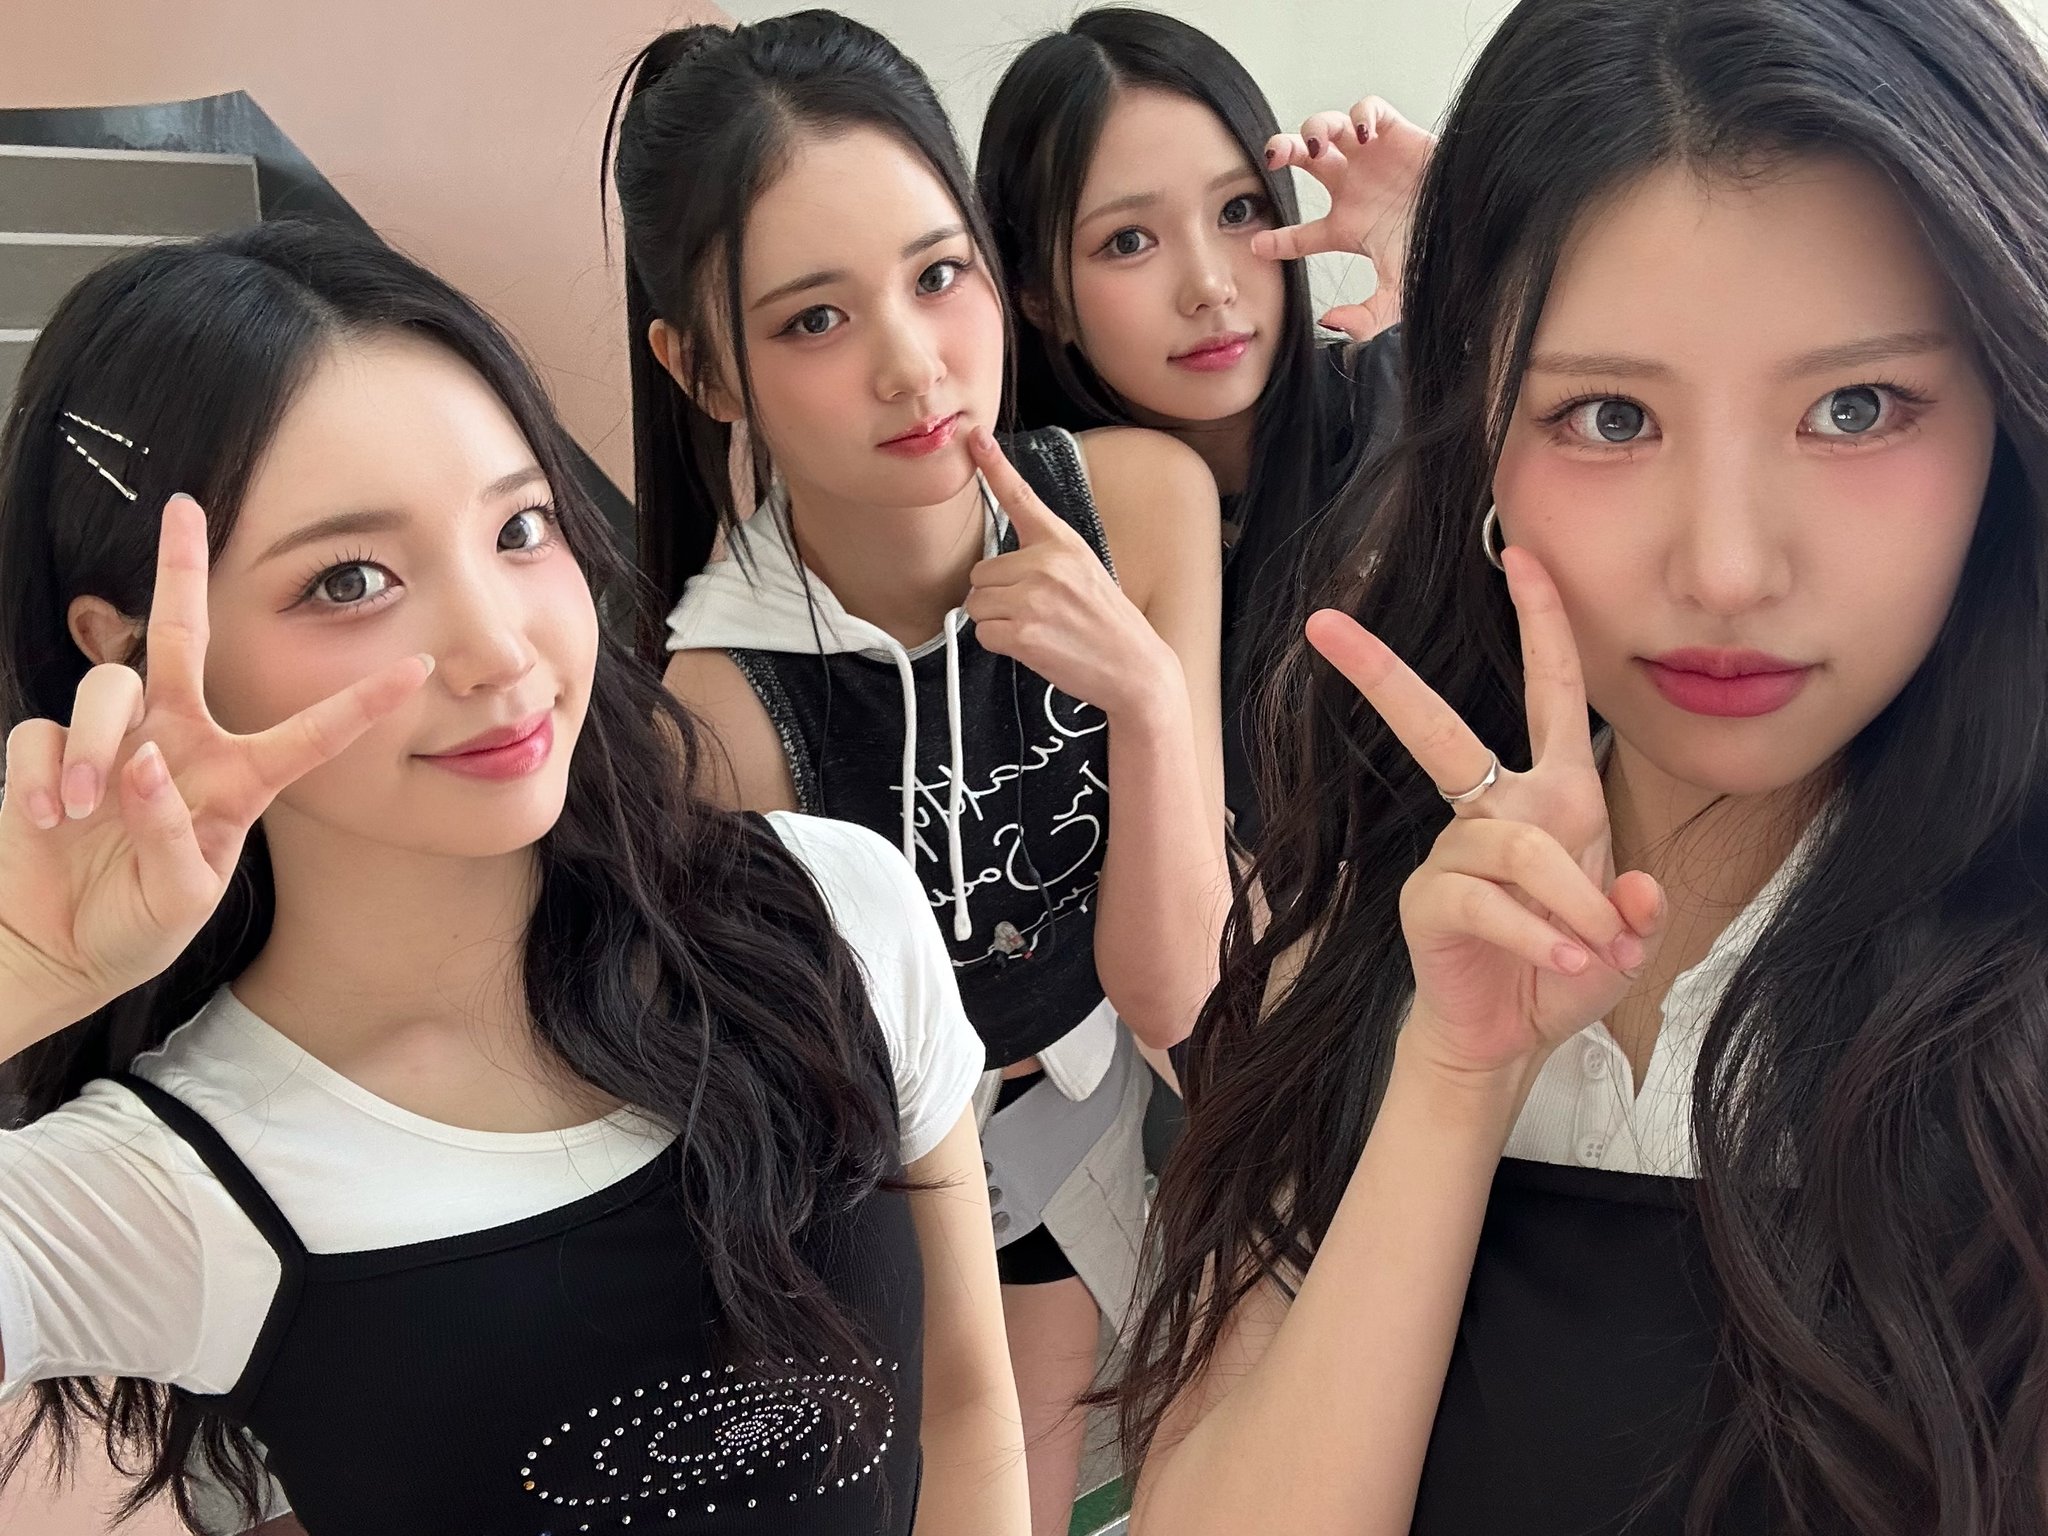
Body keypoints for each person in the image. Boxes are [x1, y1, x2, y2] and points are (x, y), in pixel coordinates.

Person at [1116, 0, 2048, 1533]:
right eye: (1610, 417)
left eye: (1856, 408)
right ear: (1482, 439)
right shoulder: (1373, 933)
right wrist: (1455, 1080)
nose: (1727, 568)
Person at [0, 220, 1027, 1536]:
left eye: (520, 527)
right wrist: (25, 978)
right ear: (135, 651)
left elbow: (963, 1413)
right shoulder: (167, 1185)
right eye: (351, 579)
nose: (499, 647)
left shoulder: (833, 910)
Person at [608, 18, 1228, 1532]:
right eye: (815, 320)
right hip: (915, 1202)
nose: (913, 364)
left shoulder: (1142, 502)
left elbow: (1177, 990)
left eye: (939, 275)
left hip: (1170, 1098)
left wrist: (1148, 700)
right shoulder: (720, 718)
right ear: (702, 368)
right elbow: (818, 1147)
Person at [976, 6, 1433, 845]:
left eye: (1238, 211)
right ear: (1039, 297)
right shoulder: (1024, 528)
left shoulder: (1402, 409)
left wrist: (1457, 256)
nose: (1209, 286)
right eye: (1128, 241)